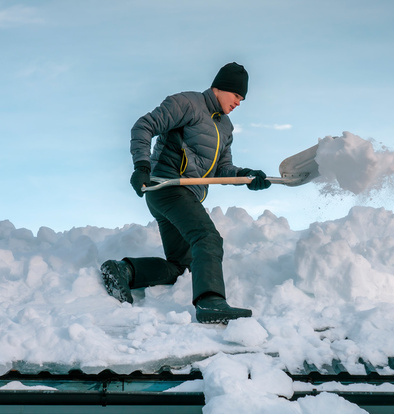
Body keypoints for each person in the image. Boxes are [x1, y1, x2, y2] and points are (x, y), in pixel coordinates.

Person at [100, 62, 270, 324]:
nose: (239, 102)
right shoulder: (188, 103)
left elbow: (221, 170)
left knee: (182, 268)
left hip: (183, 196)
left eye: (242, 98)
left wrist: (247, 176)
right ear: (221, 87)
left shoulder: (226, 128)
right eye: (237, 95)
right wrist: (141, 167)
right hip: (167, 186)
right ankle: (210, 302)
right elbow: (143, 126)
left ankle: (125, 271)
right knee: (207, 237)